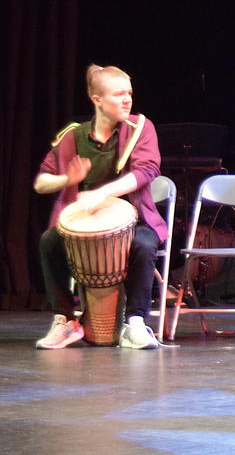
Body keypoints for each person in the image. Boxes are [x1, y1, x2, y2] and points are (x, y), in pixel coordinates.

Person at [34, 65, 167, 350]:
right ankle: (66, 321)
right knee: (49, 241)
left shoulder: (140, 128)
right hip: (84, 224)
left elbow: (146, 171)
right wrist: (66, 179)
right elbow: (41, 183)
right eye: (119, 94)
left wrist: (101, 193)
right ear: (97, 99)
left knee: (144, 244)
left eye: (129, 93)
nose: (127, 99)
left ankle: (135, 323)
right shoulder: (74, 136)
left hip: (136, 221)